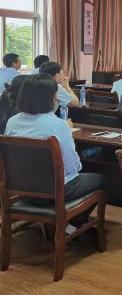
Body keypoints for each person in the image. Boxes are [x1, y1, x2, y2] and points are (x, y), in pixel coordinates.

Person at [5, 74, 104, 227]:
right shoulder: (58, 125)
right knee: (103, 179)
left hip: (21, 190)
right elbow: (74, 167)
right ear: (50, 97)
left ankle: (66, 225)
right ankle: (74, 224)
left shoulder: (12, 122)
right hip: (56, 191)